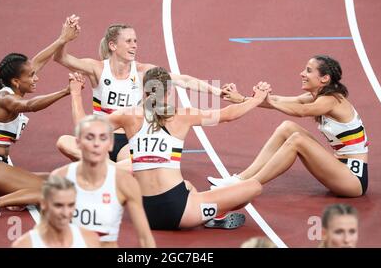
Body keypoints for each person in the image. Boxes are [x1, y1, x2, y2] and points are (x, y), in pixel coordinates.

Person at [69, 67, 265, 230]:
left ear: (143, 91)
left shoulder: (127, 116)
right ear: (169, 92)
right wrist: (256, 99)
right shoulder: (183, 115)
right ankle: (215, 215)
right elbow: (228, 114)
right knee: (254, 186)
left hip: (146, 213)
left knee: (187, 185)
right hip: (178, 211)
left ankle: (207, 211)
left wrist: (76, 93)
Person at [40, 16, 225, 163]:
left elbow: (183, 80)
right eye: (128, 41)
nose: (134, 45)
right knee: (63, 142)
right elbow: (61, 58)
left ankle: (101, 167)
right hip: (100, 137)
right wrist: (64, 38)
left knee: (130, 163)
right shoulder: (97, 68)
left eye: (135, 41)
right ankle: (105, 167)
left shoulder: (143, 71)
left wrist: (216, 92)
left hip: (128, 141)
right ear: (113, 45)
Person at [208, 55, 369, 198]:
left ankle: (246, 187)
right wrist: (243, 99)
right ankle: (239, 179)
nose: (302, 74)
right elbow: (280, 101)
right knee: (287, 127)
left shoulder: (331, 100)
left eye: (308, 70)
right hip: (338, 167)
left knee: (298, 140)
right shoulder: (315, 97)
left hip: (353, 179)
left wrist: (267, 99)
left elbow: (302, 111)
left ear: (324, 78)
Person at [0, 18, 81, 222]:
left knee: (60, 182)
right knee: (49, 191)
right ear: (16, 81)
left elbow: (37, 61)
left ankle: (14, 197)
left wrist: (62, 39)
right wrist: (66, 91)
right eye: (31, 76)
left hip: (1, 166)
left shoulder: (14, 87)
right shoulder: (5, 99)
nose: (36, 78)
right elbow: (30, 106)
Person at [50, 112, 156, 247]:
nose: (96, 144)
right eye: (89, 137)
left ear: (110, 144)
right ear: (78, 143)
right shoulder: (60, 178)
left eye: (103, 138)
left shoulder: (125, 183)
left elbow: (145, 239)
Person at [12, 175, 101, 248]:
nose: (65, 213)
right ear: (43, 204)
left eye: (71, 205)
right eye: (58, 205)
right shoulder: (24, 245)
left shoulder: (89, 240)